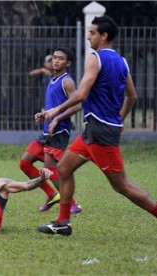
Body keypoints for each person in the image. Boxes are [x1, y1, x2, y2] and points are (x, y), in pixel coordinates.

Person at [37, 15, 157, 236]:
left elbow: (82, 94)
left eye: (92, 33)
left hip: (100, 132)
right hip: (94, 130)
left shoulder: (95, 57)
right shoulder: (122, 61)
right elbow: (132, 96)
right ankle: (63, 223)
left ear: (104, 36)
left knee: (122, 186)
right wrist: (119, 119)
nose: (88, 36)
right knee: (63, 168)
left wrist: (56, 110)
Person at [20, 47, 82, 214]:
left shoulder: (67, 81)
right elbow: (55, 106)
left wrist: (57, 118)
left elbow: (78, 105)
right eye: (54, 57)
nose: (56, 61)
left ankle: (72, 204)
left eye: (61, 58)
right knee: (25, 163)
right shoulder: (52, 78)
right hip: (46, 131)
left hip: (59, 132)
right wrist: (44, 114)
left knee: (51, 170)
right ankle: (53, 195)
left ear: (68, 63)